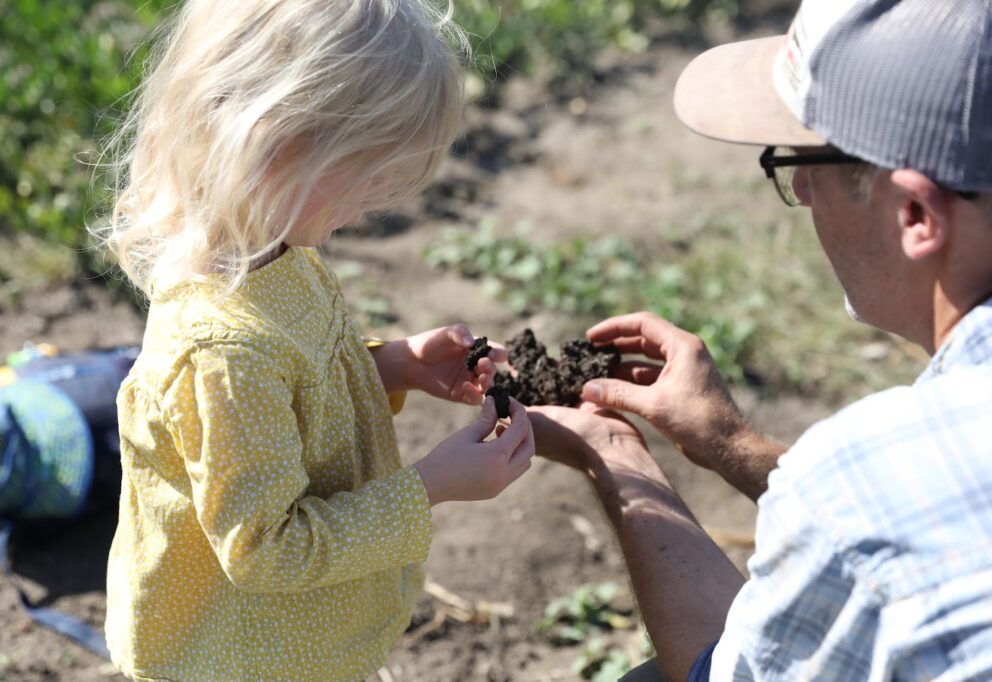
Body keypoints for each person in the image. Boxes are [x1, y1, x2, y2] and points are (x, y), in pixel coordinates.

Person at [528, 0, 992, 680]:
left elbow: (722, 671)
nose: (801, 189)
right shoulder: (897, 474)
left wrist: (613, 451)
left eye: (807, 161)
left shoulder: (872, 474)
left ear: (916, 213)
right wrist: (728, 443)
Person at [93, 1, 534, 680]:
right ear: (276, 142)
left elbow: (294, 396)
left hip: (291, 642)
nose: (376, 201)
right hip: (238, 655)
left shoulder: (276, 256)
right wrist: (430, 486)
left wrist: (397, 366)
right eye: (369, 174)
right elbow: (267, 549)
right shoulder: (222, 350)